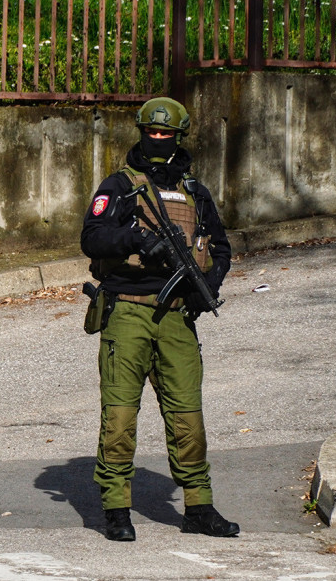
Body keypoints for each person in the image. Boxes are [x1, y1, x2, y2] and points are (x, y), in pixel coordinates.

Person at [80, 96, 239, 541]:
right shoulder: (120, 186)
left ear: (178, 136)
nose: (157, 138)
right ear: (141, 131)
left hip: (175, 315)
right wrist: (134, 238)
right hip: (127, 311)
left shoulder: (194, 191)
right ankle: (115, 509)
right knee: (120, 415)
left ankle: (198, 506)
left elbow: (221, 248)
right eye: (150, 131)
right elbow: (91, 238)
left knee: (188, 414)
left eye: (165, 133)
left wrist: (208, 286)